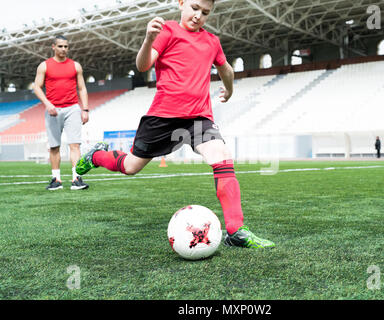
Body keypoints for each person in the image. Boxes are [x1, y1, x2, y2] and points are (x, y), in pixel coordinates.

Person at [76, 0, 274, 248]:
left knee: (221, 155)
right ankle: (96, 156)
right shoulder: (168, 30)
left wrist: (230, 90)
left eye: (205, 13)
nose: (198, 16)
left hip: (198, 117)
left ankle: (236, 231)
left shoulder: (212, 41)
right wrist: (148, 39)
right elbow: (143, 65)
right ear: (181, 3)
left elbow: (227, 70)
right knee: (131, 166)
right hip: (162, 118)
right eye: (194, 8)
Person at [34, 35, 90, 190]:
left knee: (75, 145)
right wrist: (47, 104)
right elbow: (36, 87)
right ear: (53, 47)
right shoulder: (44, 66)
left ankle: (76, 179)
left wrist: (85, 109)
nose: (63, 49)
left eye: (66, 46)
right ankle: (56, 180)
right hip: (53, 110)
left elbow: (82, 88)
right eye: (60, 46)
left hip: (73, 108)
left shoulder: (75, 66)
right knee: (54, 146)